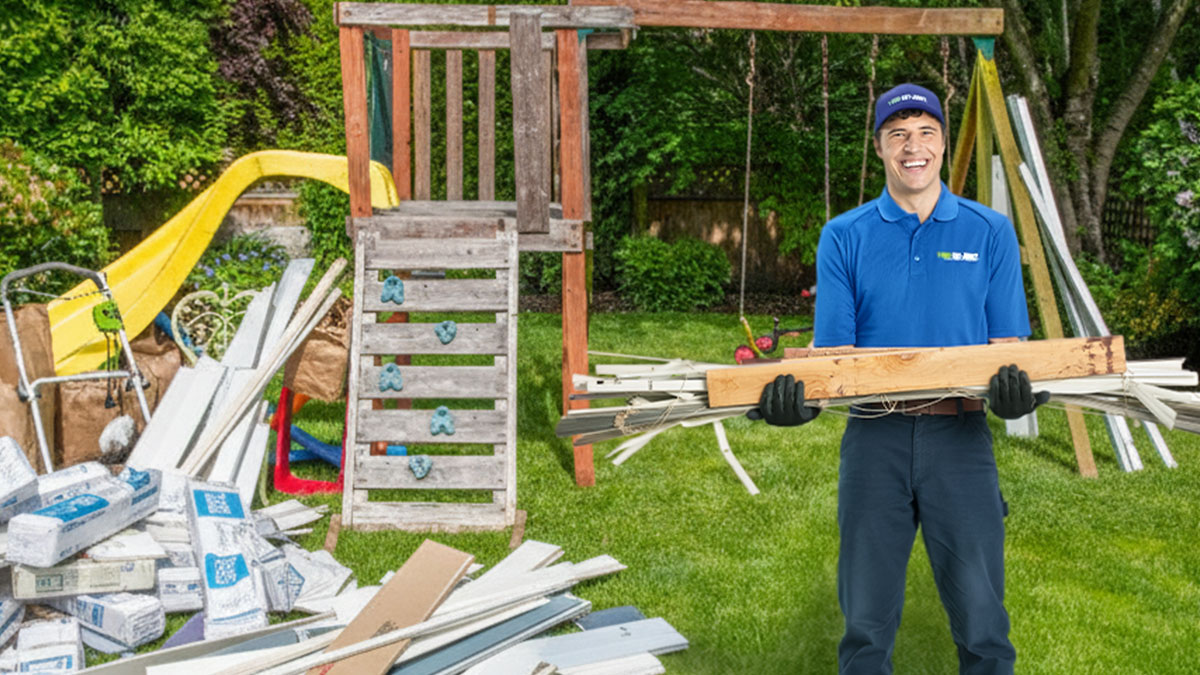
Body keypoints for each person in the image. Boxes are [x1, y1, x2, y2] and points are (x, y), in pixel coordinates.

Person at [751, 83, 1048, 675]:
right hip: (874, 442)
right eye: (899, 135)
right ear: (882, 146)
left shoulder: (987, 231)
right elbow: (834, 356)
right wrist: (797, 404)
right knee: (864, 627)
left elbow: (1009, 349)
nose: (914, 147)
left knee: (985, 626)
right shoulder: (846, 235)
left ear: (941, 141)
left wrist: (1022, 395)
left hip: (960, 443)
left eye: (926, 133)